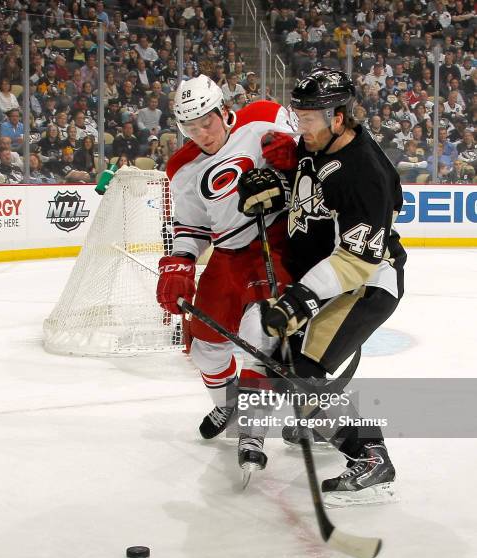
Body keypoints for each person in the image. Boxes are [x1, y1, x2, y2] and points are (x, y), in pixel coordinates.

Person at [237, 68, 407, 506]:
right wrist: (274, 189)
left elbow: (357, 259)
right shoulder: (316, 145)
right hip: (327, 281)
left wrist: (300, 299)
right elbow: (308, 195)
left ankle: (370, 456)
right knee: (292, 363)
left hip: (365, 284)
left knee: (303, 371)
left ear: (337, 118)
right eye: (299, 116)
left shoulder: (365, 172)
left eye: (309, 118)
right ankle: (320, 420)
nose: (300, 127)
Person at [156, 75, 295, 474]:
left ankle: (254, 429)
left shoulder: (264, 117)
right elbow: (192, 228)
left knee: (259, 333)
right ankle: (229, 407)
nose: (201, 134)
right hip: (228, 253)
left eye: (206, 122)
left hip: (274, 241)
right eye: (190, 127)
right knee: (204, 345)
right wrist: (180, 263)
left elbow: (314, 162)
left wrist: (293, 157)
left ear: (222, 110)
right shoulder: (182, 165)